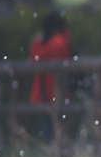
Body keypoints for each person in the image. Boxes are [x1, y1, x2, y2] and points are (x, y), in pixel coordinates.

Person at [28, 11, 74, 142]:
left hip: (50, 91)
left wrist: (37, 41)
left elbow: (36, 56)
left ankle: (55, 150)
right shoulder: (63, 39)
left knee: (51, 125)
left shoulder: (57, 41)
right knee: (57, 123)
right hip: (55, 90)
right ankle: (58, 149)